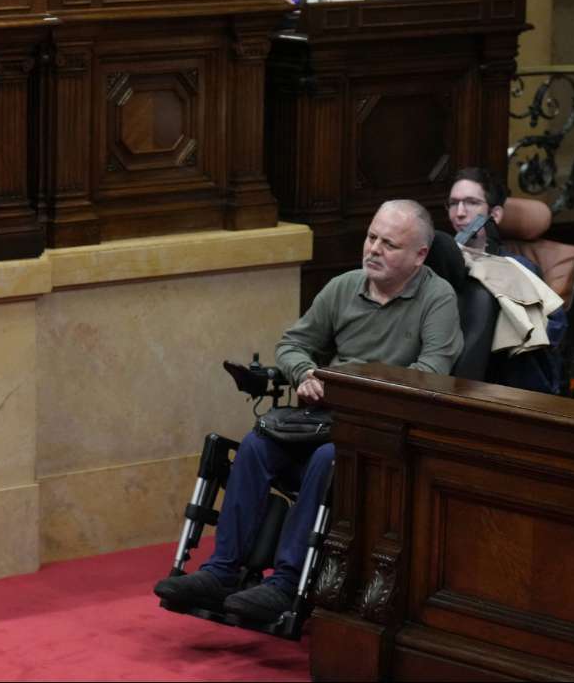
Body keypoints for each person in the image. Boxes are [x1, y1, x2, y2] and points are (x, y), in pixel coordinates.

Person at [154, 200, 463, 622]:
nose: (373, 249)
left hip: (382, 432)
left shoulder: (438, 298)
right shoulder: (344, 287)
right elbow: (291, 345)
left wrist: (353, 393)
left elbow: (431, 373)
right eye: (371, 237)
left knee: (326, 458)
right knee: (256, 444)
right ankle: (221, 571)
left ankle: (285, 584)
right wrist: (304, 374)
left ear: (419, 255)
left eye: (388, 244)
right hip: (324, 419)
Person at [443, 167, 565, 393]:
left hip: (498, 384)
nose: (459, 212)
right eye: (453, 203)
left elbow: (552, 329)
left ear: (495, 214)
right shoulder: (439, 258)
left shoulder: (519, 267)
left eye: (471, 202)